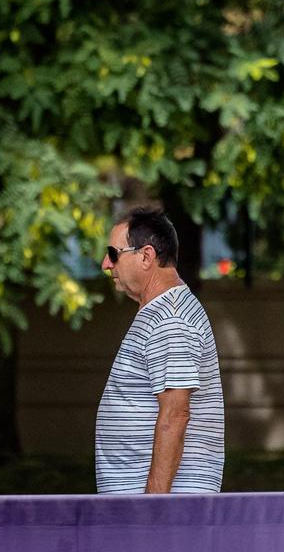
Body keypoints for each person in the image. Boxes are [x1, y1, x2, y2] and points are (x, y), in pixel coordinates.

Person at [94, 207, 224, 494]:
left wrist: (153, 510)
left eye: (113, 253)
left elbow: (175, 415)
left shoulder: (171, 319)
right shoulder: (161, 313)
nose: (106, 264)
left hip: (161, 512)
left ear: (146, 256)